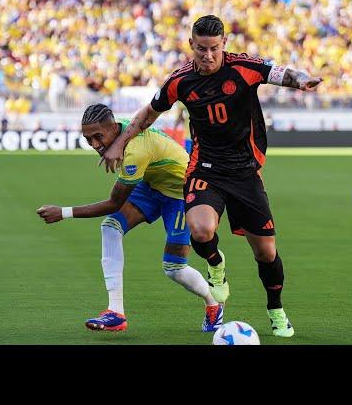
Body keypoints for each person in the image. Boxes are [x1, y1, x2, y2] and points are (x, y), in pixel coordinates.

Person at [100, 15, 322, 337]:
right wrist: (119, 142)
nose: (207, 55)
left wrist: (301, 80)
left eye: (214, 48)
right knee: (201, 230)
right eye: (201, 48)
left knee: (266, 252)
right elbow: (149, 113)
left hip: (246, 172)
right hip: (206, 168)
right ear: (191, 45)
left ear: (224, 45)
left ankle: (276, 309)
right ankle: (215, 264)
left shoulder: (243, 67)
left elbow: (279, 73)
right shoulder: (180, 81)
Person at [36, 104, 223, 332]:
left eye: (98, 137)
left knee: (174, 268)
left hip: (182, 192)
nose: (95, 144)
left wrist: (63, 212)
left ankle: (213, 305)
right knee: (111, 227)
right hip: (152, 184)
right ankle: (115, 312)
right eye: (88, 139)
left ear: (114, 128)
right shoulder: (124, 127)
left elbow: (113, 203)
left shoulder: (136, 152)